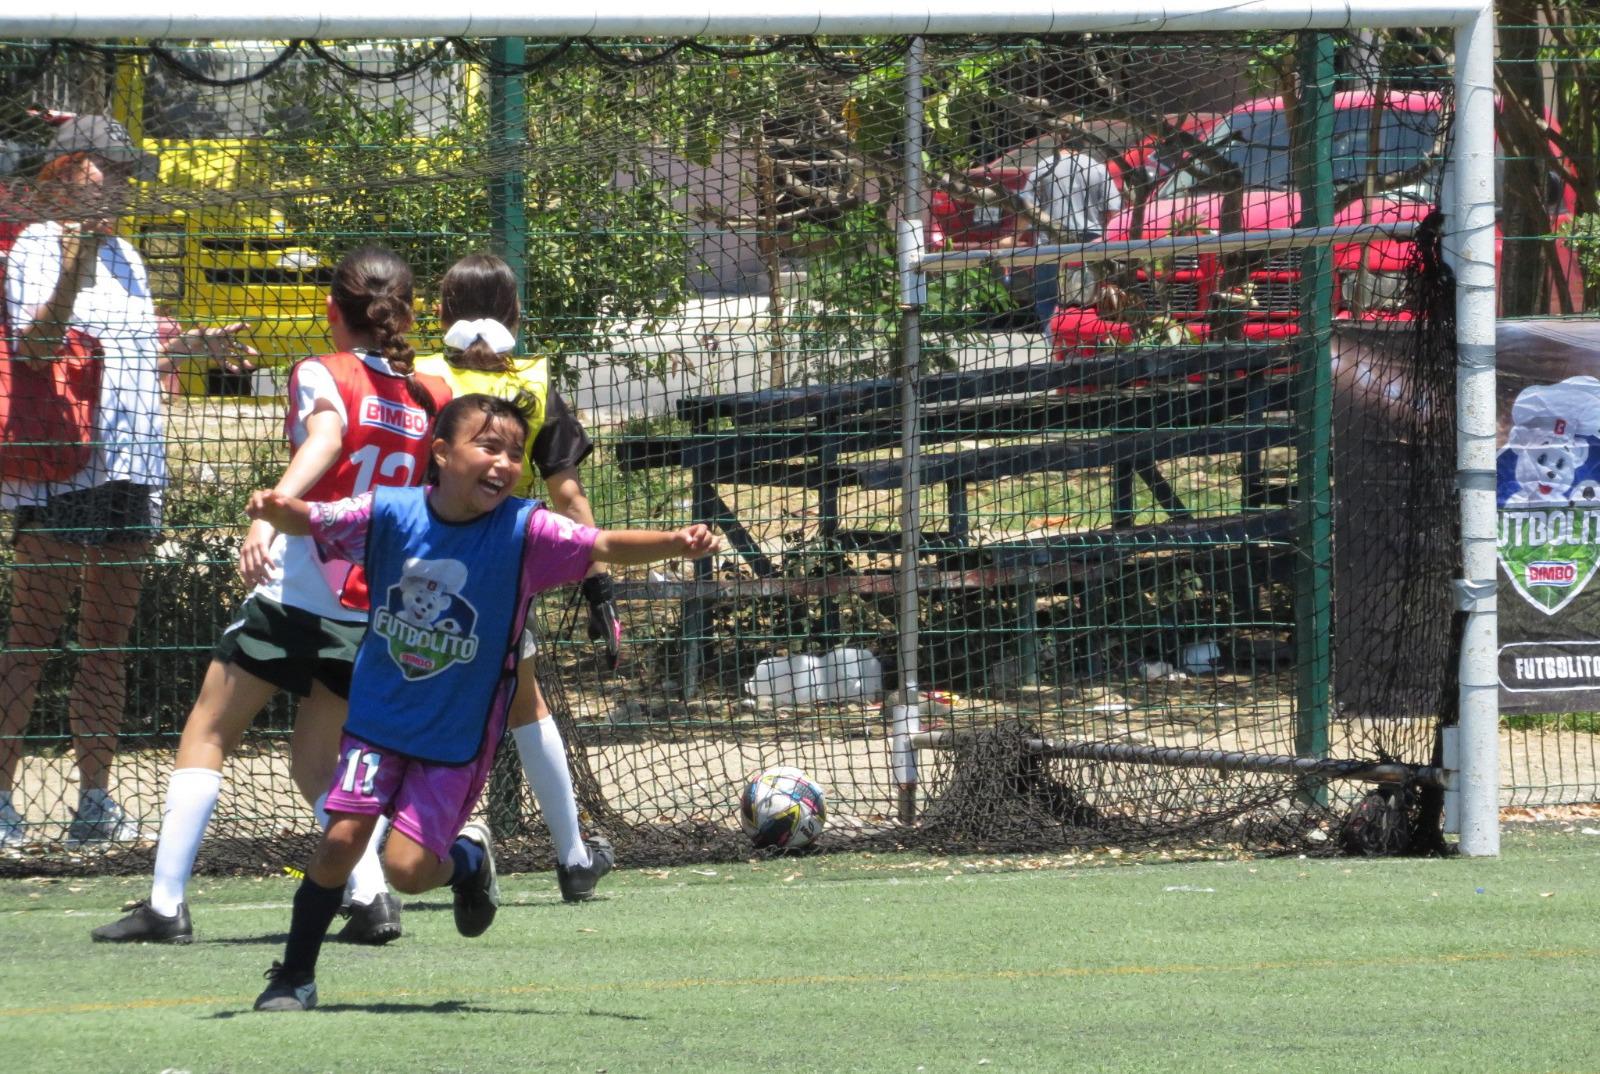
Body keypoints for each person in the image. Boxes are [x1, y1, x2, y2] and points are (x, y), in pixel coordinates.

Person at [245, 392, 718, 1012]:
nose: (504, 463)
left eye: (515, 453)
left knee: (410, 872)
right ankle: (294, 977)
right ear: (441, 452)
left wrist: (675, 542)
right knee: (341, 841)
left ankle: (468, 864)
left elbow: (601, 543)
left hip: (456, 737)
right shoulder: (390, 512)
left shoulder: (526, 531)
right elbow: (321, 518)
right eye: (488, 447)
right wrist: (282, 510)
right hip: (378, 720)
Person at [89, 245, 449, 946]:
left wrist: (270, 506)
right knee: (316, 764)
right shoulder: (428, 392)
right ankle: (371, 896)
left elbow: (327, 436)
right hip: (370, 605)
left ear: (329, 311)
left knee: (209, 730)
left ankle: (166, 904)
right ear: (406, 313)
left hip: (300, 590)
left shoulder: (323, 371)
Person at [0, 115, 257, 849]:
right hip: (62, 468)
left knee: (105, 646)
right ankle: (1, 801)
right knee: (29, 643)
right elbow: (37, 347)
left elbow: (130, 342)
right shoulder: (38, 246)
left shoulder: (130, 257)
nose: (117, 184)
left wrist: (198, 344)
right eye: (104, 169)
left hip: (134, 468)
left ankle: (95, 801)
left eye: (123, 173)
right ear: (67, 168)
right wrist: (76, 265)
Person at [416, 253, 619, 901]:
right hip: (497, 565)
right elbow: (570, 501)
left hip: (413, 560)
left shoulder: (416, 379)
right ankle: (572, 857)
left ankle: (383, 862)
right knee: (525, 707)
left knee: (402, 704)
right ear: (516, 315)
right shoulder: (534, 385)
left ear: (441, 313)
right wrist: (600, 592)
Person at [1017, 140, 1123, 334]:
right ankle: (1087, 344)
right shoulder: (1096, 168)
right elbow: (1112, 211)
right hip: (1091, 242)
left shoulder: (1043, 167)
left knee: (1048, 298)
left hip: (1050, 244)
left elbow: (1026, 209)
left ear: (1058, 140)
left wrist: (1015, 238)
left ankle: (1055, 343)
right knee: (1092, 300)